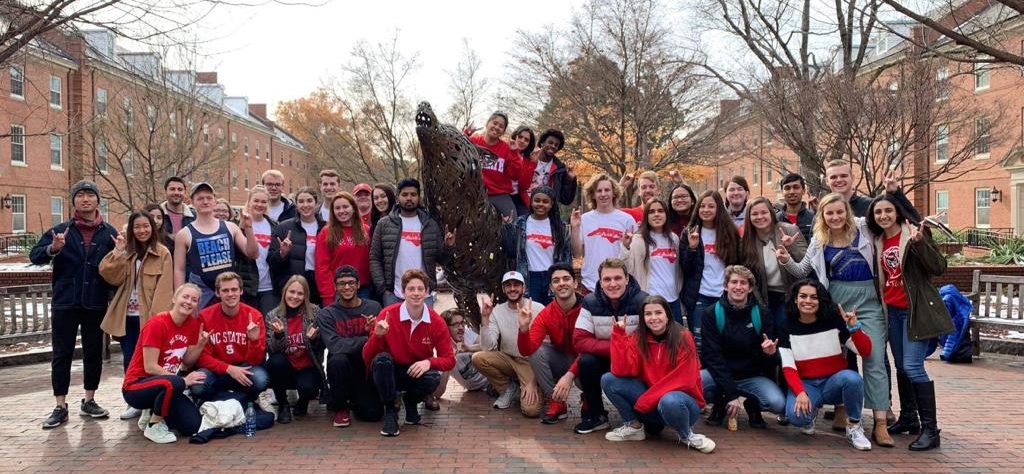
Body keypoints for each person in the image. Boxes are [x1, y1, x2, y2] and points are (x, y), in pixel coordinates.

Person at [776, 193, 894, 447]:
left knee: (873, 359)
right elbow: (801, 270)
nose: (835, 217)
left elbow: (891, 219)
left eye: (840, 212)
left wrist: (893, 193)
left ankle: (880, 422)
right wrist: (786, 260)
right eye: (829, 213)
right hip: (836, 299)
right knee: (841, 353)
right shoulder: (819, 238)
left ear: (847, 212)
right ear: (822, 216)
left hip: (868, 298)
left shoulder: (865, 228)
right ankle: (840, 409)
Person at [867, 195, 954, 451]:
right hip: (892, 311)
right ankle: (909, 418)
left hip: (914, 311)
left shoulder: (913, 233)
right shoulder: (879, 241)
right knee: (902, 368)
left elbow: (938, 267)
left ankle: (931, 430)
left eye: (888, 210)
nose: (883, 215)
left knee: (913, 367)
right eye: (878, 212)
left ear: (898, 213)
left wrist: (920, 243)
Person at [31, 180, 118, 429]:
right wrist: (52, 248)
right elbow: (34, 256)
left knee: (94, 353)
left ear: (98, 201)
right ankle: (60, 405)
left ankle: (89, 400)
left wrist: (121, 253)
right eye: (80, 195)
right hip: (65, 301)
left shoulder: (109, 232)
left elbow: (116, 266)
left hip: (95, 302)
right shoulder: (61, 229)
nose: (85, 199)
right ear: (74, 201)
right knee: (62, 353)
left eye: (90, 195)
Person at [601, 296, 715, 453]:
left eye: (658, 313)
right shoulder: (638, 337)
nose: (653, 318)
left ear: (667, 314)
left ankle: (686, 434)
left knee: (670, 400)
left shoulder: (683, 337)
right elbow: (622, 370)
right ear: (643, 318)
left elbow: (684, 379)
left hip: (681, 404)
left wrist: (647, 400)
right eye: (648, 314)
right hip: (652, 403)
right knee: (609, 380)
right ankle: (633, 427)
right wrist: (619, 335)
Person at [778, 279, 873, 451]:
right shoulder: (786, 326)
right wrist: (800, 392)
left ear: (820, 300)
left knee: (853, 379)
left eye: (814, 297)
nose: (808, 301)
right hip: (807, 385)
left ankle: (854, 426)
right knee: (796, 418)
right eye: (803, 296)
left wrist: (854, 327)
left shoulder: (833, 320)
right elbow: (788, 367)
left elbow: (865, 351)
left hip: (833, 382)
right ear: (795, 299)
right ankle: (810, 412)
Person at [99, 210, 174, 420]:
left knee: (150, 360)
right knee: (130, 359)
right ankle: (133, 401)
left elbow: (164, 289)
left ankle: (150, 401)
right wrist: (119, 252)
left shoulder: (162, 253)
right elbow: (109, 275)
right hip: (126, 316)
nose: (142, 231)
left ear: (153, 227)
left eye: (146, 226)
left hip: (148, 317)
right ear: (132, 229)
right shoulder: (127, 252)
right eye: (137, 227)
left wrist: (155, 320)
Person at [362, 269, 456, 437]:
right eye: (411, 289)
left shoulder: (436, 321)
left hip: (415, 370)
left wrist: (429, 362)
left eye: (420, 289)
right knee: (381, 361)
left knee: (433, 377)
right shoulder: (387, 314)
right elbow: (367, 357)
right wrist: (377, 336)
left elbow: (449, 360)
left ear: (427, 292)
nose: (416, 293)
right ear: (403, 292)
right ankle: (391, 410)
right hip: (390, 370)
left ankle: (411, 402)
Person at [700, 265, 786, 430]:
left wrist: (770, 355)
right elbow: (712, 357)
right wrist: (731, 394)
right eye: (734, 282)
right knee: (694, 385)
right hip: (719, 372)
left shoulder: (762, 314)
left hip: (751, 376)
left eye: (743, 283)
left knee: (776, 403)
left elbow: (769, 364)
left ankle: (752, 404)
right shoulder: (711, 313)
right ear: (726, 286)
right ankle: (721, 402)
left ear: (750, 287)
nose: (738, 287)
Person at [121, 284, 207, 443]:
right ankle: (154, 425)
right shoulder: (157, 323)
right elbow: (150, 367)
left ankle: (153, 411)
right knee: (175, 382)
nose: (189, 302)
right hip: (136, 386)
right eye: (185, 297)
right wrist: (183, 381)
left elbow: (187, 361)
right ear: (174, 299)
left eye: (194, 300)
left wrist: (201, 344)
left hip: (167, 385)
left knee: (192, 426)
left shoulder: (192, 325)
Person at [573, 258, 646, 434]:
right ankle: (597, 415)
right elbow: (579, 340)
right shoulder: (590, 302)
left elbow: (652, 339)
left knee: (654, 427)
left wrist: (626, 350)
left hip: (636, 362)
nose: (612, 284)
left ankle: (642, 410)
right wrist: (615, 348)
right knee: (586, 362)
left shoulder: (643, 301)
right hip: (606, 359)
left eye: (617, 278)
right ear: (600, 281)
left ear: (627, 279)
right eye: (607, 279)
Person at [369, 178, 455, 307]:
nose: (409, 198)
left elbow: (441, 260)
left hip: (423, 294)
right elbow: (375, 258)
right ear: (398, 197)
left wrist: (448, 246)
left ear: (418, 197)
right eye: (405, 194)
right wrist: (383, 289)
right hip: (394, 294)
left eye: (413, 194)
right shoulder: (384, 224)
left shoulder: (430, 224)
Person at [317, 266, 384, 428]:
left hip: (365, 366)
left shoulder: (374, 307)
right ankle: (341, 407)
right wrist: (367, 338)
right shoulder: (327, 314)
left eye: (351, 283)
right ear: (335, 287)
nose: (347, 287)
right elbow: (334, 346)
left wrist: (373, 334)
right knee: (337, 360)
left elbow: (382, 340)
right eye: (342, 283)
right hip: (342, 368)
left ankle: (358, 400)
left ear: (358, 284)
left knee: (373, 415)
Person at [471, 272, 546, 417]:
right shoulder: (497, 311)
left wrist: (534, 380)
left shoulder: (538, 308)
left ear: (523, 288)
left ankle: (537, 388)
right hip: (508, 358)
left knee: (531, 411)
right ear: (503, 289)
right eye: (508, 285)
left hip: (531, 363)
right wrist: (485, 318)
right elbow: (488, 347)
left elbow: (548, 349)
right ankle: (508, 389)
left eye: (516, 285)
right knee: (478, 358)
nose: (512, 289)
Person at [516, 263, 583, 424]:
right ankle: (556, 401)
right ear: (551, 288)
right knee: (537, 352)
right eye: (556, 281)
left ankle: (590, 399)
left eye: (566, 279)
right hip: (562, 360)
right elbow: (528, 350)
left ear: (575, 283)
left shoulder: (588, 307)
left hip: (585, 362)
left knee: (591, 362)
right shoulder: (547, 313)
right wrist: (523, 330)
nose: (561, 283)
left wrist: (570, 375)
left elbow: (591, 348)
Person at [173, 182, 257, 308]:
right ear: (192, 202)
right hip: (201, 294)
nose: (205, 202)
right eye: (200, 198)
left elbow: (253, 253)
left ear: (214, 200)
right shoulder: (184, 234)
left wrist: (249, 228)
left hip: (228, 292)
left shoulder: (230, 227)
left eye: (209, 198)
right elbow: (179, 269)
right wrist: (179, 297)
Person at [191, 272, 269, 404]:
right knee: (199, 385)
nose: (230, 294)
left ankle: (245, 400)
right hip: (216, 369)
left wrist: (254, 341)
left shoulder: (254, 316)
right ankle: (215, 401)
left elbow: (256, 360)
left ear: (241, 291)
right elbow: (202, 358)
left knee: (261, 379)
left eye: (234, 289)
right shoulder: (204, 316)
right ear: (217, 293)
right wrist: (228, 369)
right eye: (225, 290)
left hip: (244, 367)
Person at [680, 190, 741, 347]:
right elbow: (685, 268)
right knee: (699, 342)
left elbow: (737, 264)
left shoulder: (730, 232)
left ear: (719, 208)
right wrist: (692, 248)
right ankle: (702, 371)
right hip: (699, 295)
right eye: (702, 206)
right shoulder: (689, 232)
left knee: (724, 340)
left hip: (724, 295)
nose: (706, 210)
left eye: (711, 206)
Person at [264, 275, 325, 424]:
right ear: (285, 292)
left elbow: (322, 347)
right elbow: (271, 350)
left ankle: (303, 401)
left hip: (307, 366)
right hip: (286, 367)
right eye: (292, 292)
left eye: (300, 293)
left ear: (305, 296)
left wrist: (314, 339)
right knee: (275, 362)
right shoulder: (273, 315)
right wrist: (279, 335)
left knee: (309, 388)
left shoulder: (315, 312)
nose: (295, 297)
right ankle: (283, 404)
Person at [741, 197, 807, 329]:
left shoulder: (789, 230)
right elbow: (746, 273)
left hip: (788, 294)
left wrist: (790, 247)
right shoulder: (746, 241)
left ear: (771, 213)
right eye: (754, 214)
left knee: (784, 332)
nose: (760, 217)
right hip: (763, 296)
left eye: (764, 212)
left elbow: (806, 264)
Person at [503, 186, 571, 306]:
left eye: (545, 202)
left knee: (553, 315)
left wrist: (565, 279)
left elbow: (566, 256)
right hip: (530, 277)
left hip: (553, 277)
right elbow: (511, 252)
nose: (541, 204)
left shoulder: (560, 227)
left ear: (551, 204)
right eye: (537, 200)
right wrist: (508, 228)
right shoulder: (520, 223)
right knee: (533, 316)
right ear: (531, 202)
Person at [620, 198, 684, 324]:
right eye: (652, 211)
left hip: (673, 299)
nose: (656, 214)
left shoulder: (674, 238)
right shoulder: (638, 239)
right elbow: (627, 268)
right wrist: (626, 247)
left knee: (676, 340)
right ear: (646, 216)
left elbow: (679, 269)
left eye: (660, 211)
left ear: (666, 214)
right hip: (650, 300)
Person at [571, 173, 637, 295]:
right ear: (593, 195)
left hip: (619, 285)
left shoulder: (627, 220)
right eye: (598, 191)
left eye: (607, 190)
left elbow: (634, 255)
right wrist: (575, 228)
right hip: (591, 285)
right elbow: (577, 254)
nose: (603, 194)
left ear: (614, 193)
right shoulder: (584, 219)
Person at [270, 187, 325, 306]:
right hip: (293, 284)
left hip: (318, 283)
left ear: (316, 203)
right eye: (301, 201)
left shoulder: (326, 228)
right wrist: (282, 253)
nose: (305, 205)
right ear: (296, 204)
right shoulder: (283, 227)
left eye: (309, 201)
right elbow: (272, 262)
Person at [315, 192, 373, 305]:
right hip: (337, 290)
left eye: (345, 207)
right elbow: (322, 267)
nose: (341, 211)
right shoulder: (326, 233)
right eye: (337, 208)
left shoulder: (366, 230)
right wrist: (327, 295)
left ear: (353, 208)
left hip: (363, 289)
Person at [430, 308, 491, 410]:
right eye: (455, 325)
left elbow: (489, 347)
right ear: (445, 328)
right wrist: (448, 362)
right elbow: (438, 394)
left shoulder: (468, 333)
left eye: (462, 323)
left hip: (493, 379)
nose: (461, 327)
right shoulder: (442, 350)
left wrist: (468, 348)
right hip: (476, 389)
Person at [468, 111, 522, 219]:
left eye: (501, 126)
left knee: (512, 220)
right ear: (487, 124)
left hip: (499, 194)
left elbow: (515, 175)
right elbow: (454, 149)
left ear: (503, 131)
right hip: (475, 193)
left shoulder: (506, 148)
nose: (497, 127)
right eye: (494, 123)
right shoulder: (473, 141)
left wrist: (515, 152)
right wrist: (466, 133)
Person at [235, 185, 279, 314]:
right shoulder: (237, 224)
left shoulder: (275, 225)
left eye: (264, 202)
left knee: (269, 325)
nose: (260, 205)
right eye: (256, 201)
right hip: (246, 287)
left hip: (269, 287)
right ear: (249, 202)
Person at [517, 128, 577, 216]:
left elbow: (565, 200)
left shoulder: (560, 169)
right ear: (542, 143)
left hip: (546, 213)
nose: (553, 146)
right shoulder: (527, 158)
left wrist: (569, 180)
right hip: (522, 207)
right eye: (550, 142)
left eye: (556, 145)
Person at [776, 173, 815, 243]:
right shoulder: (775, 219)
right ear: (782, 192)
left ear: (803, 190)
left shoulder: (813, 218)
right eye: (787, 188)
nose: (792, 192)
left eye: (796, 187)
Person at [509, 125, 537, 215]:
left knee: (526, 218)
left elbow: (524, 185)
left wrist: (532, 164)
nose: (522, 141)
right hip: (502, 193)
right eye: (520, 137)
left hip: (518, 196)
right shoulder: (504, 150)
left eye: (526, 140)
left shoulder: (528, 160)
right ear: (515, 137)